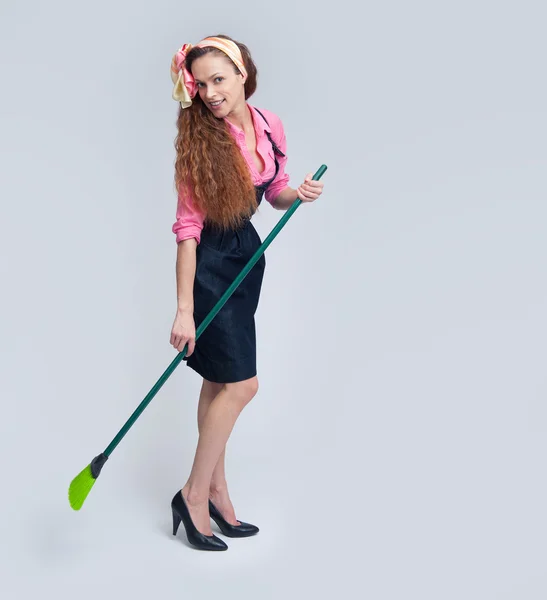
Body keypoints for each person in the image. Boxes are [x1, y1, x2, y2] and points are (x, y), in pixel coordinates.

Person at [168, 34, 324, 551]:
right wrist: (185, 311)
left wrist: (294, 195)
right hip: (211, 264)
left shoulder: (268, 125)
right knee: (242, 385)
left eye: (219, 79)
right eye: (202, 84)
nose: (211, 93)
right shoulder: (200, 144)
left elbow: (273, 192)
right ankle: (193, 494)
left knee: (218, 383)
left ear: (242, 74)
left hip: (247, 257)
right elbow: (187, 233)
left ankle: (216, 489)